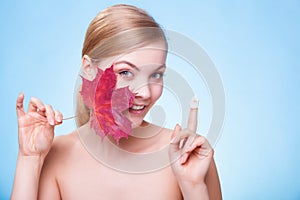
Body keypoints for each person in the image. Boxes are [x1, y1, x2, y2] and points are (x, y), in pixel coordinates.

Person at [11, 4, 222, 200]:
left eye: (156, 75)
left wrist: (194, 187)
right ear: (89, 69)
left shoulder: (189, 157)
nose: (145, 92)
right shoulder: (55, 154)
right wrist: (29, 158)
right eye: (126, 72)